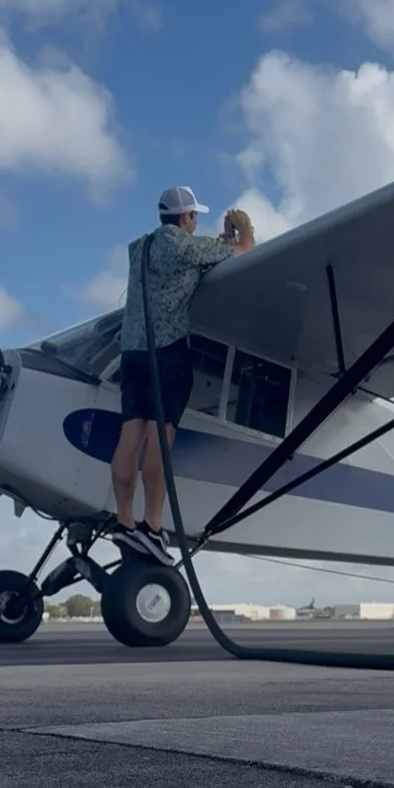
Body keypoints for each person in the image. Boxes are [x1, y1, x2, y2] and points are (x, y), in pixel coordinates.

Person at [110, 185, 255, 563]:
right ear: (187, 218)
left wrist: (217, 242)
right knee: (161, 436)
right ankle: (153, 527)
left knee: (131, 435)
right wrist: (244, 229)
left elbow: (195, 259)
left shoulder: (137, 248)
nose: (196, 223)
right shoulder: (184, 246)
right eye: (195, 217)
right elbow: (243, 252)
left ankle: (124, 523)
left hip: (133, 352)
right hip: (166, 352)